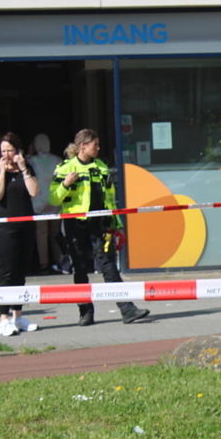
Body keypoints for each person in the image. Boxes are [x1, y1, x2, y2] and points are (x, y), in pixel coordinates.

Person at [49, 128, 149, 326]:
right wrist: (66, 184)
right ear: (83, 145)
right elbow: (53, 198)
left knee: (108, 265)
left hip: (100, 224)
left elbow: (110, 200)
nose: (99, 148)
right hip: (75, 225)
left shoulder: (102, 167)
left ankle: (127, 309)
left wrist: (116, 225)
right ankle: (85, 313)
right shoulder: (65, 168)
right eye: (95, 144)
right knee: (80, 268)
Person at [0, 132, 39, 336]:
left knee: (20, 273)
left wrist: (24, 169)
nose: (7, 154)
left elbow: (34, 192)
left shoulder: (26, 167)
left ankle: (18, 316)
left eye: (9, 150)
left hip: (25, 226)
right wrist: (2, 172)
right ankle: (3, 319)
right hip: (4, 228)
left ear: (18, 150)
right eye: (3, 151)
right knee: (6, 273)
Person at [27, 133, 69, 274]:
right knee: (55, 233)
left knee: (41, 235)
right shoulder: (57, 160)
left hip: (38, 201)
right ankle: (58, 260)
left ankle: (43, 263)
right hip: (54, 200)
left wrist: (30, 151)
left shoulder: (31, 160)